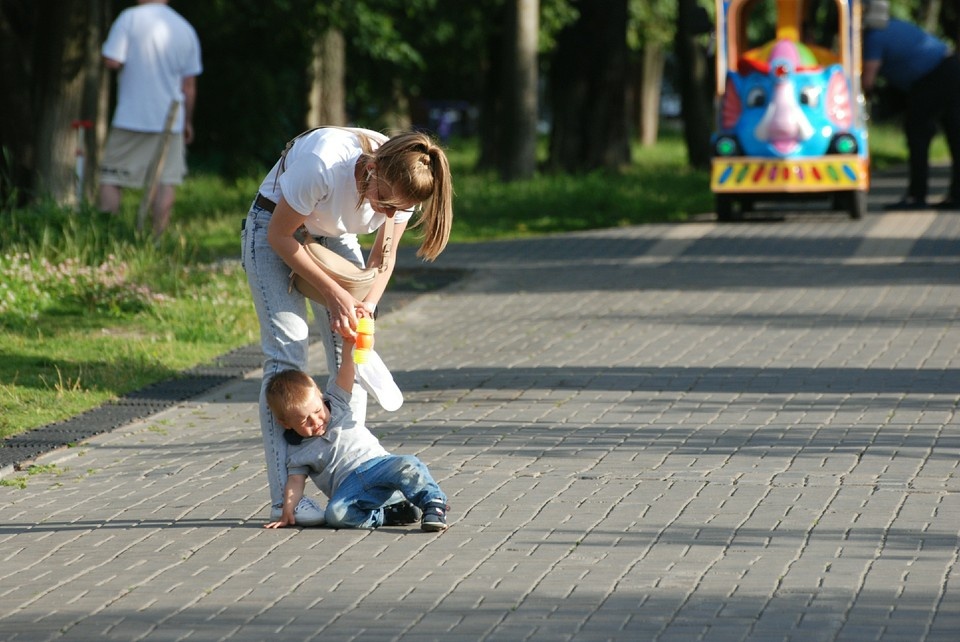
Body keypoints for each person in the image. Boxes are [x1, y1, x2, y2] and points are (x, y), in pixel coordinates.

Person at [241, 126, 453, 526]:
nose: (390, 215)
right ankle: (283, 503)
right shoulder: (323, 163)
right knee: (288, 355)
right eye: (386, 204)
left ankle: (355, 475)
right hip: (275, 229)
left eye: (399, 210)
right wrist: (337, 296)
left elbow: (383, 260)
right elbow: (280, 236)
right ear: (372, 170)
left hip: (330, 233)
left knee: (349, 347)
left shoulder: (406, 178)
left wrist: (365, 307)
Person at [263, 364, 449, 532]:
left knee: (407, 463)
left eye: (318, 411)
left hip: (378, 466)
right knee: (335, 514)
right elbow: (295, 483)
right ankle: (390, 514)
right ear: (286, 423)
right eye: (305, 421)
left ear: (321, 396)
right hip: (350, 488)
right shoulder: (298, 452)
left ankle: (433, 503)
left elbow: (346, 372)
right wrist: (286, 511)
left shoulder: (337, 403)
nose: (316, 421)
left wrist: (349, 345)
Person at [98, 0, 203, 237]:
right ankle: (157, 240)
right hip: (171, 118)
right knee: (166, 181)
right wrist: (187, 122)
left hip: (130, 116)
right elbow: (189, 86)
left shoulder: (129, 18)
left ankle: (105, 235)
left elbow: (112, 60)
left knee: (111, 177)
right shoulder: (185, 28)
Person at [862, 6, 960, 210]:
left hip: (933, 77)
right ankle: (956, 196)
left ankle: (917, 196)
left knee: (917, 133)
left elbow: (868, 81)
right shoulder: (894, 25)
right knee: (955, 134)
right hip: (951, 67)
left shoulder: (874, 37)